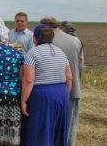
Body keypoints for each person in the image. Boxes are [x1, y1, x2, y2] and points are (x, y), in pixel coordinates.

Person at [21, 24, 73, 146]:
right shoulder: (61, 52)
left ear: (35, 38)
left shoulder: (32, 53)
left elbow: (29, 80)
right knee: (57, 128)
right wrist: (66, 94)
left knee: (39, 129)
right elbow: (69, 77)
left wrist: (23, 101)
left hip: (42, 94)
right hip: (61, 92)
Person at [40, 17, 84, 146]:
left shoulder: (45, 41)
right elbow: (80, 66)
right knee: (69, 124)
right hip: (72, 88)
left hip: (48, 89)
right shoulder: (76, 41)